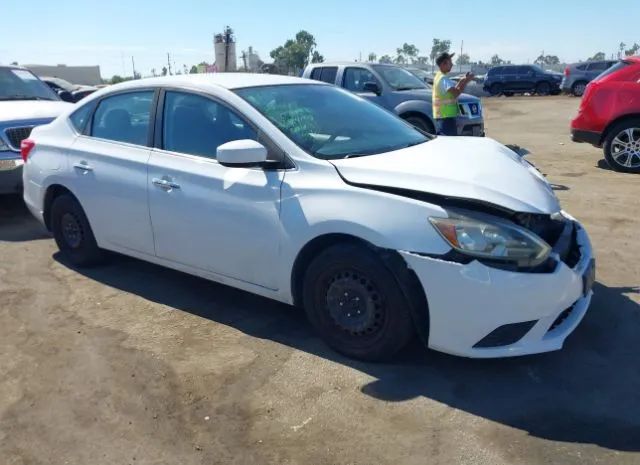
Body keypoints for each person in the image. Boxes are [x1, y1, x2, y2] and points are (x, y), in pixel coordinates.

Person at [432, 52, 475, 136]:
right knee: (449, 145)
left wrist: (462, 80)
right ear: (444, 64)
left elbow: (453, 91)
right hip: (446, 118)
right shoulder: (443, 79)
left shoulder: (438, 76)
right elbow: (456, 93)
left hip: (442, 117)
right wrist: (466, 81)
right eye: (450, 62)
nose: (452, 64)